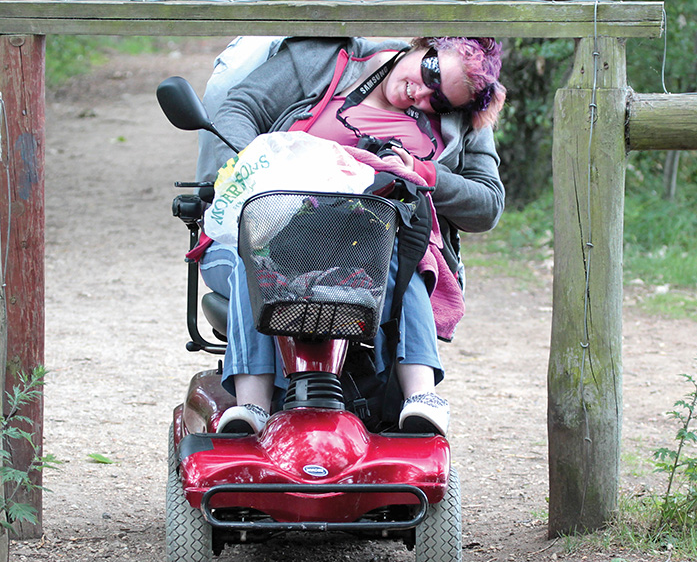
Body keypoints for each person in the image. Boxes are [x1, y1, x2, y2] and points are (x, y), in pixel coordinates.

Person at [198, 35, 507, 436]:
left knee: (407, 252)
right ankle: (252, 406)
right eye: (431, 73)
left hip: (371, 243)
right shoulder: (322, 59)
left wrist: (425, 173)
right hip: (273, 222)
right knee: (254, 249)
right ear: (423, 45)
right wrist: (254, 172)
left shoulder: (462, 123)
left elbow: (487, 204)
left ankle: (422, 399)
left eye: (441, 102)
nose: (424, 95)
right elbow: (239, 107)